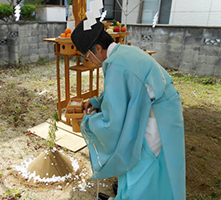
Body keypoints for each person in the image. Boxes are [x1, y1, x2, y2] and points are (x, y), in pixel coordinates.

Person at [71, 19, 186, 200]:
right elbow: (126, 90)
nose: (89, 61)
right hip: (162, 110)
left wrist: (88, 123)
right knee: (147, 165)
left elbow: (113, 122)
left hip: (156, 118)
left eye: (87, 56)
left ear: (98, 49)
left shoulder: (116, 65)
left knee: (142, 167)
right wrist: (97, 101)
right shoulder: (123, 52)